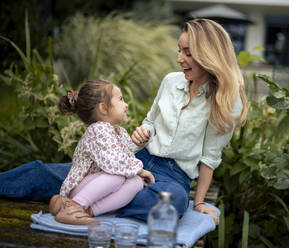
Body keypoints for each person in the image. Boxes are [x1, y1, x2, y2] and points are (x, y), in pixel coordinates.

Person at [0, 18, 247, 225]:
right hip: (136, 157)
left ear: (209, 55)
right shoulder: (172, 81)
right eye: (179, 50)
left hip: (174, 176)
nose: (179, 58)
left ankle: (82, 205)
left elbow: (210, 157)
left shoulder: (226, 100)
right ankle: (83, 200)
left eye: (188, 53)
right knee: (51, 173)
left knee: (170, 204)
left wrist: (200, 202)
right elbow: (151, 120)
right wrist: (143, 131)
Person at [50, 80, 155, 225]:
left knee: (135, 182)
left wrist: (136, 173)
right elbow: (114, 163)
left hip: (99, 189)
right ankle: (73, 206)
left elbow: (125, 160)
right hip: (83, 189)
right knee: (117, 176)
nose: (126, 105)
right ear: (104, 109)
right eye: (120, 99)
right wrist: (140, 169)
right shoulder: (98, 130)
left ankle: (86, 211)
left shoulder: (121, 132)